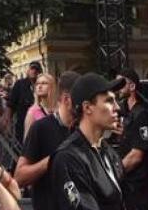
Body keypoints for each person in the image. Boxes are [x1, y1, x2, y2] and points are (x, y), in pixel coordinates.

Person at [49, 73, 125, 210]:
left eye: (116, 100)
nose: (117, 108)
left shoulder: (109, 153)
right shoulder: (68, 158)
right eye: (109, 101)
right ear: (87, 107)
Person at [114, 70, 148, 210]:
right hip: (124, 183)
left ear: (132, 86)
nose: (117, 87)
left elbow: (136, 155)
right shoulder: (123, 111)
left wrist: (114, 174)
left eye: (121, 83)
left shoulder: (141, 114)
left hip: (135, 186)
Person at [7, 62, 40, 142]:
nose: (34, 71)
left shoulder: (40, 85)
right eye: (32, 68)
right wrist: (8, 123)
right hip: (22, 125)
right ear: (28, 70)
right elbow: (11, 105)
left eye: (36, 69)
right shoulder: (20, 84)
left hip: (38, 126)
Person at [23, 73, 56, 140]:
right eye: (37, 83)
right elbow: (27, 140)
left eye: (44, 83)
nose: (39, 86)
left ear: (51, 86)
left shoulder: (58, 109)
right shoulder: (33, 112)